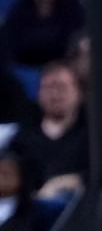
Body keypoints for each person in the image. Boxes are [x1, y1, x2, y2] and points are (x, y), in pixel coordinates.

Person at [9, 59, 88, 197]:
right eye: (48, 87)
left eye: (62, 87)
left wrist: (66, 182)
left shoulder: (91, 139)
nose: (54, 94)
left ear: (79, 93)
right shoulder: (22, 139)